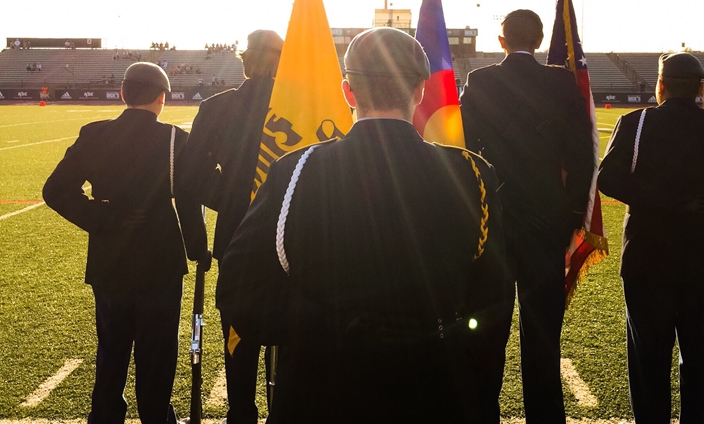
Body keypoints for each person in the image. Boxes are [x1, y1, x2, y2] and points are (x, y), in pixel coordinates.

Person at [217, 27, 511, 424]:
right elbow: (492, 302)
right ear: (421, 90)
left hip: (317, 394)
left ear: (348, 92)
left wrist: (314, 336)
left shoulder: (296, 170)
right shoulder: (472, 172)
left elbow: (239, 287)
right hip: (436, 393)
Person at [42, 62, 210, 424]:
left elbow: (54, 191)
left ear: (122, 94)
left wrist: (100, 217)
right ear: (162, 98)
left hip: (109, 259)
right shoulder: (174, 139)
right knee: (158, 353)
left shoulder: (95, 134)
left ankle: (104, 417)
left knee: (112, 350)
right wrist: (198, 249)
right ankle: (155, 417)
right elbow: (189, 198)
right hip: (161, 262)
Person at [597, 52, 704, 423]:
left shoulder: (635, 123)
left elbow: (608, 180)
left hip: (647, 260)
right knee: (701, 363)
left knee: (648, 361)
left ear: (660, 84)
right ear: (701, 88)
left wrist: (666, 205)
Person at [460, 9, 595, 422]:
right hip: (546, 220)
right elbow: (581, 153)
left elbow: (463, 147)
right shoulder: (559, 81)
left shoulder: (481, 81)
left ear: (501, 41)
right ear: (537, 40)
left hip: (494, 222)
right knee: (542, 337)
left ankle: (483, 415)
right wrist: (572, 211)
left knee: (486, 335)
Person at [178, 30, 284, 424]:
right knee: (294, 335)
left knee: (239, 336)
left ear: (245, 60)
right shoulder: (301, 107)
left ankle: (241, 413)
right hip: (299, 234)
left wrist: (239, 201)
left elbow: (190, 177)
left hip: (239, 236)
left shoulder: (218, 107)